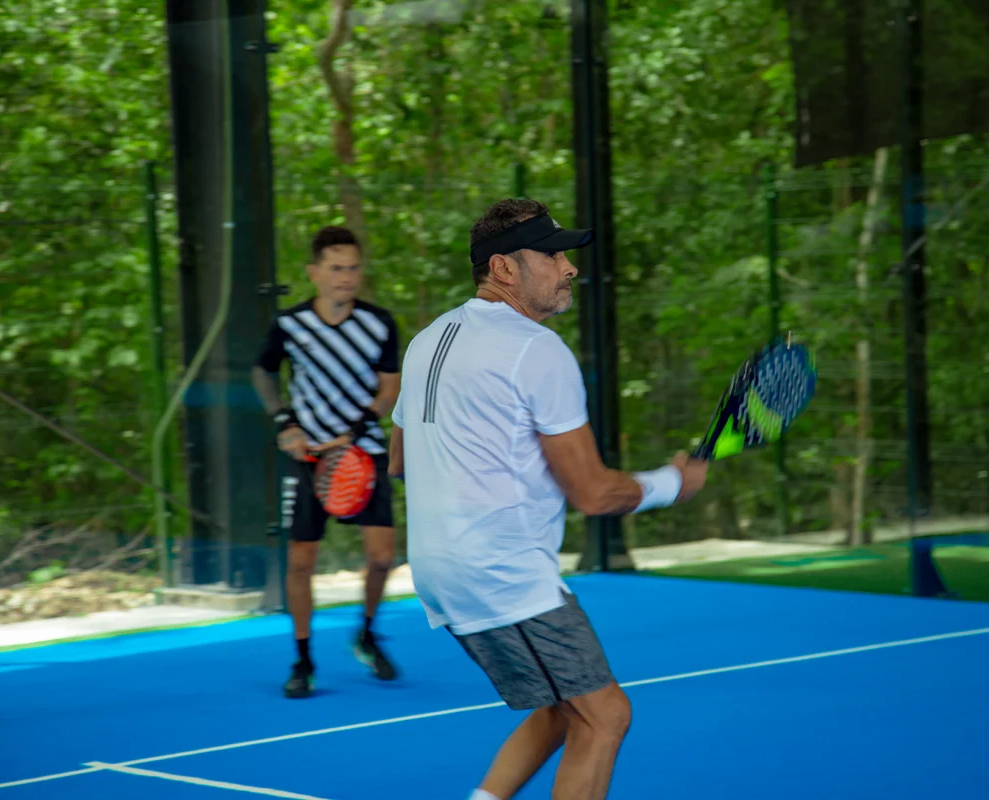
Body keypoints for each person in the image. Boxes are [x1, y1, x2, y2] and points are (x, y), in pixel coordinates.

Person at [387, 199, 709, 799]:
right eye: (552, 255)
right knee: (604, 715)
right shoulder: (536, 350)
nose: (569, 267)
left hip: (439, 569)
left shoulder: (427, 342)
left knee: (562, 709)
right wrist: (672, 483)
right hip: (502, 574)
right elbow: (592, 493)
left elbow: (400, 462)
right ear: (503, 269)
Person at [252, 225, 402, 698]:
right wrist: (285, 424)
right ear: (314, 273)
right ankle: (302, 659)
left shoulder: (379, 323)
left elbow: (390, 390)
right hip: (308, 458)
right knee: (301, 563)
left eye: (353, 268)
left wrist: (352, 434)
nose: (346, 277)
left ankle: (367, 634)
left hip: (363, 454)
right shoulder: (289, 324)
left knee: (382, 557)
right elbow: (262, 372)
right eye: (336, 268)